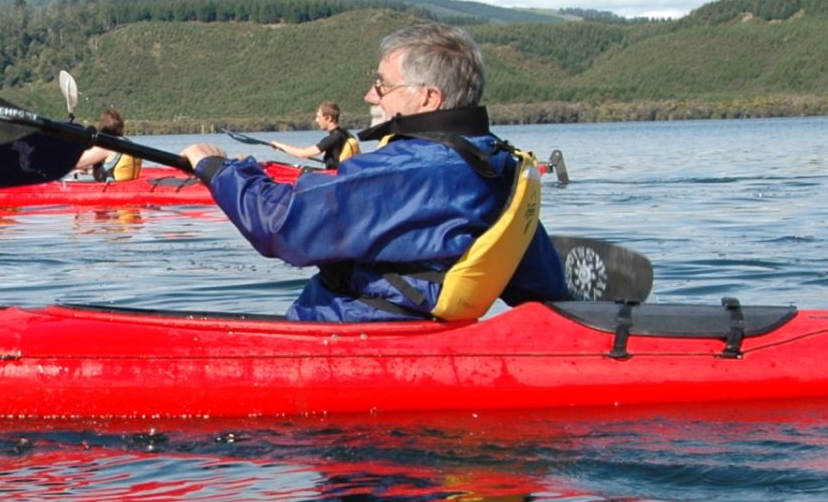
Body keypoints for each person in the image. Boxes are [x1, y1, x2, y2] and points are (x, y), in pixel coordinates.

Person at [179, 21, 568, 322]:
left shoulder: (409, 169)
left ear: (428, 97)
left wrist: (217, 169)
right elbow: (541, 286)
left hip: (351, 337)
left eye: (382, 85)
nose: (370, 95)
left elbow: (282, 228)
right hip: (421, 337)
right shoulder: (500, 164)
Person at [268, 101, 360, 170]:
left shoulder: (332, 139)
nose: (316, 120)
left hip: (335, 179)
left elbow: (302, 153)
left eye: (319, 117)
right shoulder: (347, 134)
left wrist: (281, 145)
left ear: (328, 118)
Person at [73, 109, 144, 182]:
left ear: (102, 126)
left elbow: (75, 162)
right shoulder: (128, 143)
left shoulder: (107, 146)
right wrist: (87, 170)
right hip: (128, 187)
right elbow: (116, 167)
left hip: (112, 190)